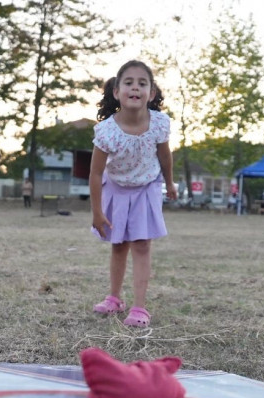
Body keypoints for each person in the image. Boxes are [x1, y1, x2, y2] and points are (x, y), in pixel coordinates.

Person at [89, 60, 176, 328]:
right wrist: (97, 213)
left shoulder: (159, 123)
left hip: (146, 187)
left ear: (151, 93)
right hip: (116, 187)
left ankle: (139, 308)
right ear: (116, 92)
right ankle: (114, 298)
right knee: (119, 244)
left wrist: (170, 183)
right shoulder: (106, 131)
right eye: (128, 82)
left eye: (142, 83)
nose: (135, 87)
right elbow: (94, 173)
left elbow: (165, 156)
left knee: (141, 244)